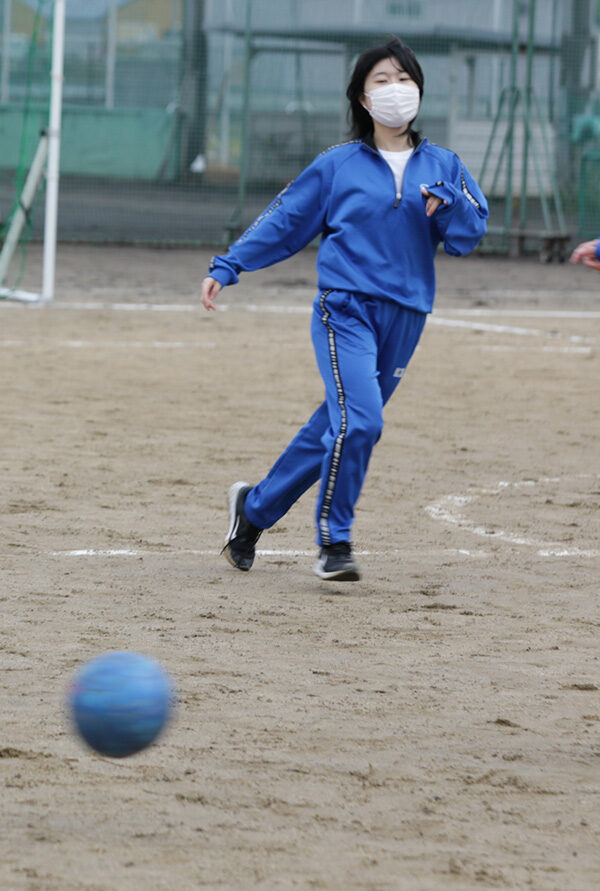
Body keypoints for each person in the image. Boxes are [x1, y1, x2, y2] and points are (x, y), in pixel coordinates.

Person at [202, 36, 487, 582]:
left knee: (336, 427)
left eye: (405, 80)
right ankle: (334, 542)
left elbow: (471, 233)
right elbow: (285, 220)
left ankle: (254, 510)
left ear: (420, 91)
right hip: (345, 310)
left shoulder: (445, 165)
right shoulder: (337, 165)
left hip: (406, 317)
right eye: (382, 80)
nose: (395, 90)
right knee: (362, 422)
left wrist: (448, 207)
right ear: (361, 97)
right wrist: (228, 265)